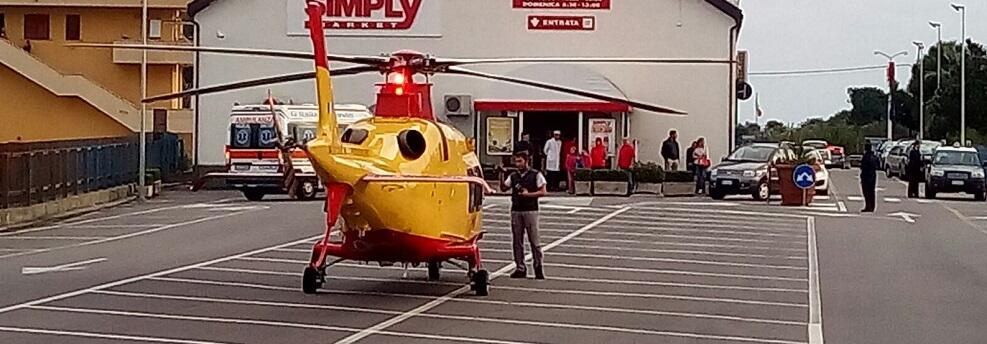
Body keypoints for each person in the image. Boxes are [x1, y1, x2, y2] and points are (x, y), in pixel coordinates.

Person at [498, 152, 546, 279]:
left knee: (534, 240)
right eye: (516, 161)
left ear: (526, 161)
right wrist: (501, 173)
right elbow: (503, 188)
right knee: (517, 240)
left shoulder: (536, 174)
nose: (518, 164)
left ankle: (538, 266)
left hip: (530, 210)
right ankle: (520, 267)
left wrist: (528, 194)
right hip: (516, 210)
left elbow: (543, 191)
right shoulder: (513, 176)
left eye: (520, 161)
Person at [860, 144, 879, 212]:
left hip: (866, 177)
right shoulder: (874, 156)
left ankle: (868, 206)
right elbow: (877, 165)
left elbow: (863, 167)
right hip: (873, 176)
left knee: (866, 192)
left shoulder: (866, 157)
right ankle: (872, 206)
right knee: (872, 192)